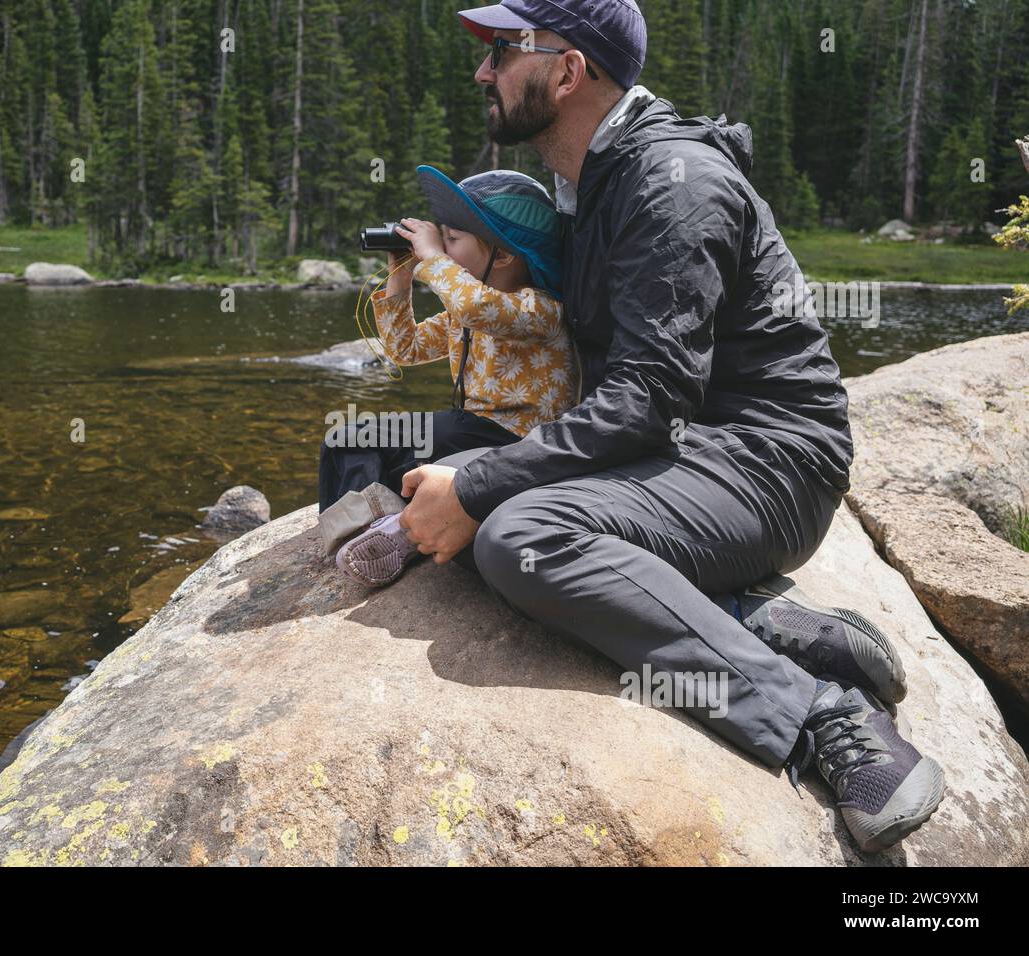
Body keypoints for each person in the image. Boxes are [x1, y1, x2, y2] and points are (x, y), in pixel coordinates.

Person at [395, 0, 944, 853]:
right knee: (424, 455)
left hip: (769, 463)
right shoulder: (590, 186)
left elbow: (649, 396)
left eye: (503, 51)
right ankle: (744, 616)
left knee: (519, 535)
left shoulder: (673, 183)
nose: (482, 71)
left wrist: (481, 487)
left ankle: (822, 716)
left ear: (569, 72)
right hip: (679, 452)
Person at [318, 166, 578, 587]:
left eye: (453, 240)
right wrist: (401, 274)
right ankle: (365, 536)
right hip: (469, 436)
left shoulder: (540, 308)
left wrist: (432, 259)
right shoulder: (465, 309)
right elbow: (405, 349)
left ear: (506, 254)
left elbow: (480, 308)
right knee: (351, 440)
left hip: (517, 444)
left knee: (376, 438)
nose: (442, 247)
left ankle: (392, 534)